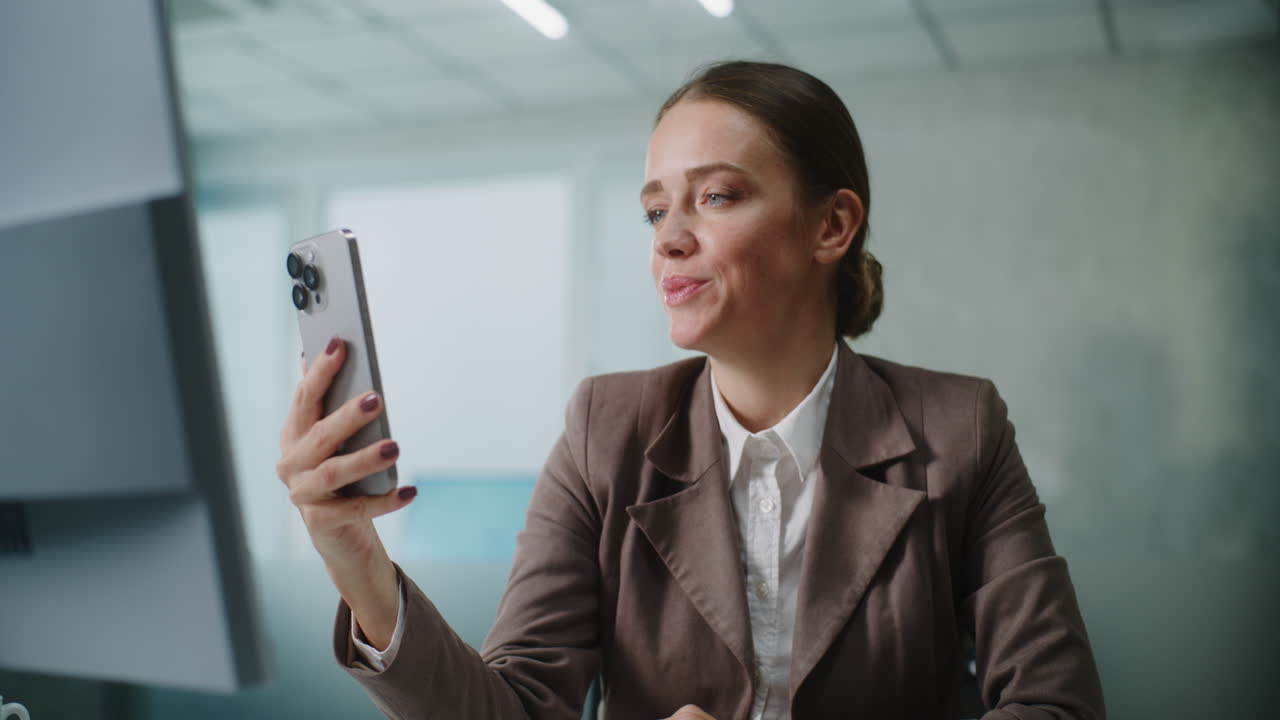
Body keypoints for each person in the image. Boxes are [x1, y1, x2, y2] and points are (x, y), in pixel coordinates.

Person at [276, 61, 1105, 720]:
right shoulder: (606, 429)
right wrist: (357, 562)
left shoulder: (960, 427)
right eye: (654, 210)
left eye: (715, 196)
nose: (669, 240)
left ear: (832, 226)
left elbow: (1054, 706)